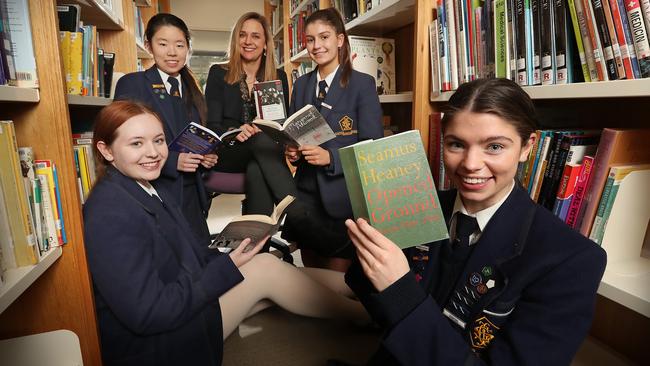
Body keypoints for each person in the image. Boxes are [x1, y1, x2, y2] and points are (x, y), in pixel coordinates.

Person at [83, 100, 369, 366]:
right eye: (137, 143)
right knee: (266, 270)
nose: (153, 152)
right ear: (106, 150)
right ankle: (367, 314)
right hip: (163, 343)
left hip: (182, 307)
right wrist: (227, 267)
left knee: (264, 265)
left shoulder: (143, 187)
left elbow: (184, 255)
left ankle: (362, 287)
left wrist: (230, 253)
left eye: (158, 141)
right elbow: (149, 314)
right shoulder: (109, 212)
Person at [343, 78, 607, 365]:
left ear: (527, 147)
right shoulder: (415, 207)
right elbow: (370, 299)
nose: (470, 163)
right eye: (456, 144)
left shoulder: (572, 260)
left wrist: (400, 290)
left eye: (494, 147)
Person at [282, 8, 383, 272]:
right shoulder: (301, 85)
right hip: (305, 191)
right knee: (310, 270)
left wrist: (331, 157)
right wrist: (291, 150)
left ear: (339, 40)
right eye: (310, 39)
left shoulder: (362, 84)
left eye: (324, 37)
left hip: (341, 192)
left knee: (337, 277)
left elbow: (373, 146)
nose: (317, 46)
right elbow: (294, 130)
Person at [114, 13, 214, 242]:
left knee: (201, 259)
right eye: (163, 44)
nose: (172, 52)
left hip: (193, 192)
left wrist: (205, 157)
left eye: (179, 45)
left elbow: (194, 137)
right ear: (149, 45)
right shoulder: (133, 83)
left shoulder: (193, 91)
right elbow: (122, 144)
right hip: (156, 190)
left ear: (188, 48)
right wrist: (172, 160)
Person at [204, 12, 296, 216]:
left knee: (257, 165)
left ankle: (252, 241)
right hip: (229, 151)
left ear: (265, 44)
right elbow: (212, 126)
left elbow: (282, 127)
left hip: (264, 154)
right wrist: (235, 131)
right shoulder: (218, 73)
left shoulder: (278, 76)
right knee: (261, 142)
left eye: (255, 36)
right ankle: (296, 211)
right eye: (242, 35)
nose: (248, 41)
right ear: (236, 40)